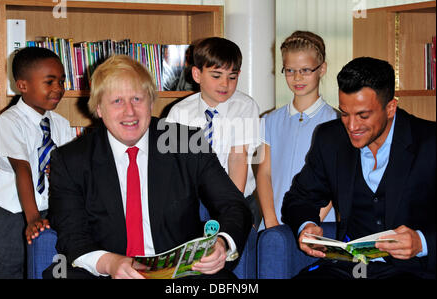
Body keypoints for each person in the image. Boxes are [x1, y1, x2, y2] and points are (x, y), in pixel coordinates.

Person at [45, 55, 252, 279]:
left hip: (180, 273)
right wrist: (110, 263)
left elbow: (233, 205)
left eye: (137, 99)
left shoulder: (187, 143)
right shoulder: (70, 160)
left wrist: (221, 243)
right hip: (107, 271)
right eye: (117, 101)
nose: (130, 112)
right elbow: (72, 234)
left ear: (151, 103)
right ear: (99, 108)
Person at [282, 56, 435, 279]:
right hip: (350, 268)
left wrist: (421, 242)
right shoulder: (330, 139)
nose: (352, 126)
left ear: (391, 107)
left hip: (412, 270)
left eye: (363, 115)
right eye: (344, 113)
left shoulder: (429, 143)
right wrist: (307, 225)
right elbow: (299, 198)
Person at [0, 46, 75, 278]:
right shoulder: (9, 121)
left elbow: (68, 169)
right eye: (49, 82)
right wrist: (32, 217)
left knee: (41, 269)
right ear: (23, 85)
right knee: (6, 268)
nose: (58, 88)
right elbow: (22, 169)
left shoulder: (61, 124)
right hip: (8, 213)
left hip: (47, 210)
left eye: (62, 81)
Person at [166, 37, 261, 226]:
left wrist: (232, 209)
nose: (225, 84)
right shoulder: (180, 112)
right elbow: (175, 167)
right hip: (194, 202)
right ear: (197, 74)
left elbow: (238, 158)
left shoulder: (245, 107)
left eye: (232, 77)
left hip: (238, 197)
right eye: (216, 76)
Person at [257, 31, 336, 231]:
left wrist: (308, 224)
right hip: (273, 227)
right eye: (290, 70)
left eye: (306, 70)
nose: (297, 77)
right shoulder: (269, 120)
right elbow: (264, 173)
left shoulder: (338, 122)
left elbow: (337, 181)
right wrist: (271, 221)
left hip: (318, 226)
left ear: (322, 69)